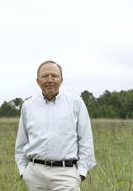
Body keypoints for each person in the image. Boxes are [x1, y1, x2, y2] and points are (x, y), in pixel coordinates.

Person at [15, 60, 95, 191]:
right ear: (38, 81)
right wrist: (24, 172)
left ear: (61, 80)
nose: (50, 80)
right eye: (45, 76)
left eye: (54, 76)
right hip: (35, 175)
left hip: (66, 175)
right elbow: (21, 143)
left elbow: (86, 140)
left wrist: (80, 174)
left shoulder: (76, 103)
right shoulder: (28, 106)